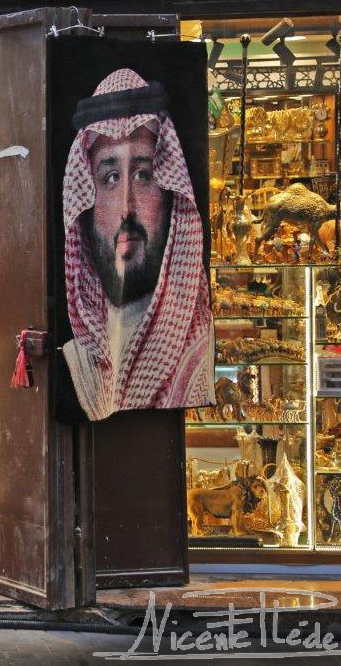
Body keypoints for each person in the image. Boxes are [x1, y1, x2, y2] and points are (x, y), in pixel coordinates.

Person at [61, 68, 213, 421]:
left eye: (144, 175)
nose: (126, 206)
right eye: (110, 178)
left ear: (170, 196)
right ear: (86, 199)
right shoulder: (81, 359)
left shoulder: (196, 350)